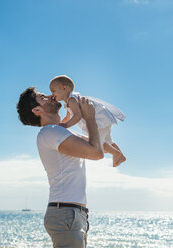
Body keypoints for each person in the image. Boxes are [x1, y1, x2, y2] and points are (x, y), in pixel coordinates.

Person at [17, 87, 104, 248]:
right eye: (43, 97)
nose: (50, 96)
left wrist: (117, 152)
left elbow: (98, 144)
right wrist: (90, 117)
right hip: (66, 214)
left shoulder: (57, 132)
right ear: (37, 110)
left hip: (72, 213)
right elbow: (96, 152)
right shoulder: (51, 132)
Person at [49, 75, 126, 167]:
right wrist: (60, 124)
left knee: (98, 142)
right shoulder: (70, 101)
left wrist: (65, 126)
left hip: (98, 122)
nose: (52, 94)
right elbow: (68, 117)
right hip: (103, 120)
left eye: (53, 91)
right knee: (109, 141)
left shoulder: (72, 100)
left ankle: (116, 154)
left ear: (64, 88)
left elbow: (77, 116)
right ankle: (120, 155)